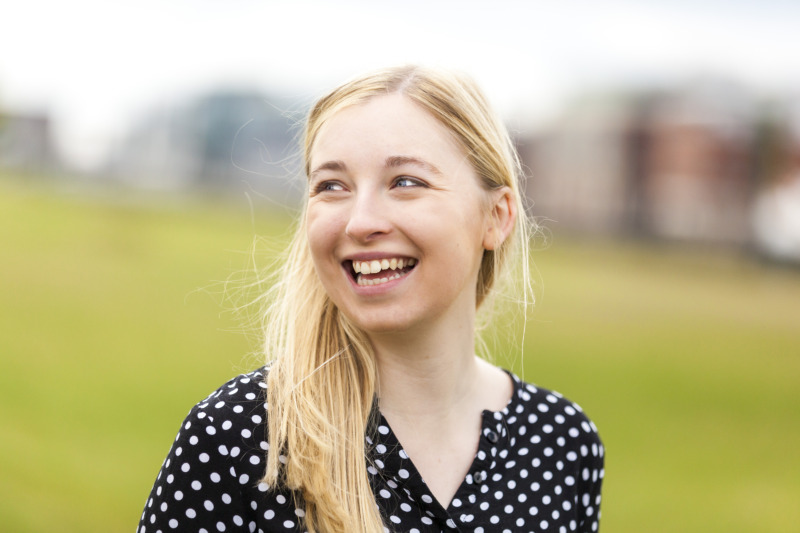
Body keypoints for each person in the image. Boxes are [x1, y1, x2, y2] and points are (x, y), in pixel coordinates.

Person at [138, 65, 604, 533]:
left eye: (405, 182)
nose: (360, 223)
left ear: (496, 217)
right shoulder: (239, 438)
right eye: (332, 186)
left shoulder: (563, 444)